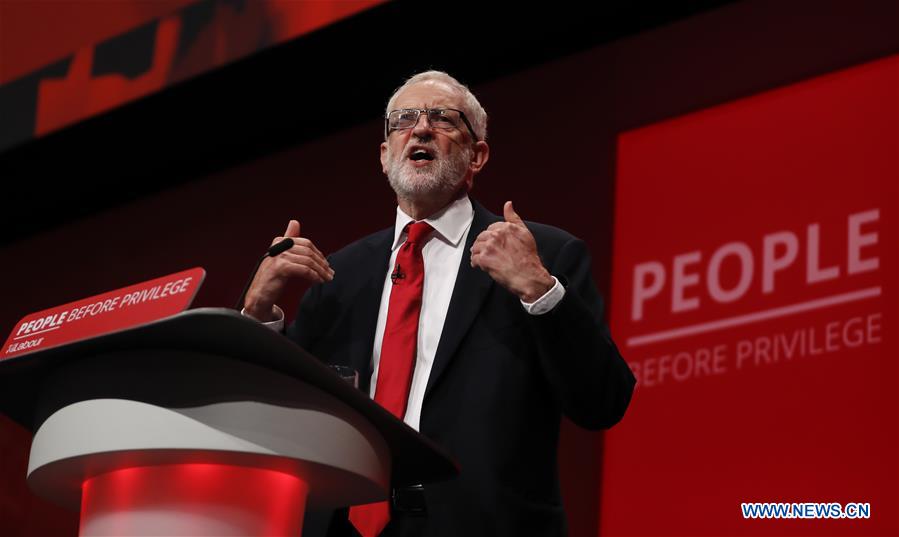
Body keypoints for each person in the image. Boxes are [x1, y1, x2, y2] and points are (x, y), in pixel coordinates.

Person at [242, 71, 635, 537]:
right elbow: (277, 423)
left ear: (477, 155)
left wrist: (539, 290)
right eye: (404, 119)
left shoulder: (541, 254)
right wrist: (257, 313)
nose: (421, 128)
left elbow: (602, 402)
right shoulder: (337, 277)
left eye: (444, 119)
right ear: (385, 155)